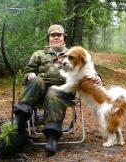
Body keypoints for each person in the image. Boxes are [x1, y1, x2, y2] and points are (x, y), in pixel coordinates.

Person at [14, 24, 101, 155]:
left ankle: (52, 137)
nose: (56, 37)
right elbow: (27, 72)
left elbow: (88, 69)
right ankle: (20, 121)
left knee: (53, 92)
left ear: (64, 38)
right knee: (36, 80)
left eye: (59, 35)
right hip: (40, 90)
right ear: (48, 38)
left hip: (63, 89)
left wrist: (96, 77)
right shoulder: (39, 54)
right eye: (52, 35)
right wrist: (29, 75)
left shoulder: (73, 53)